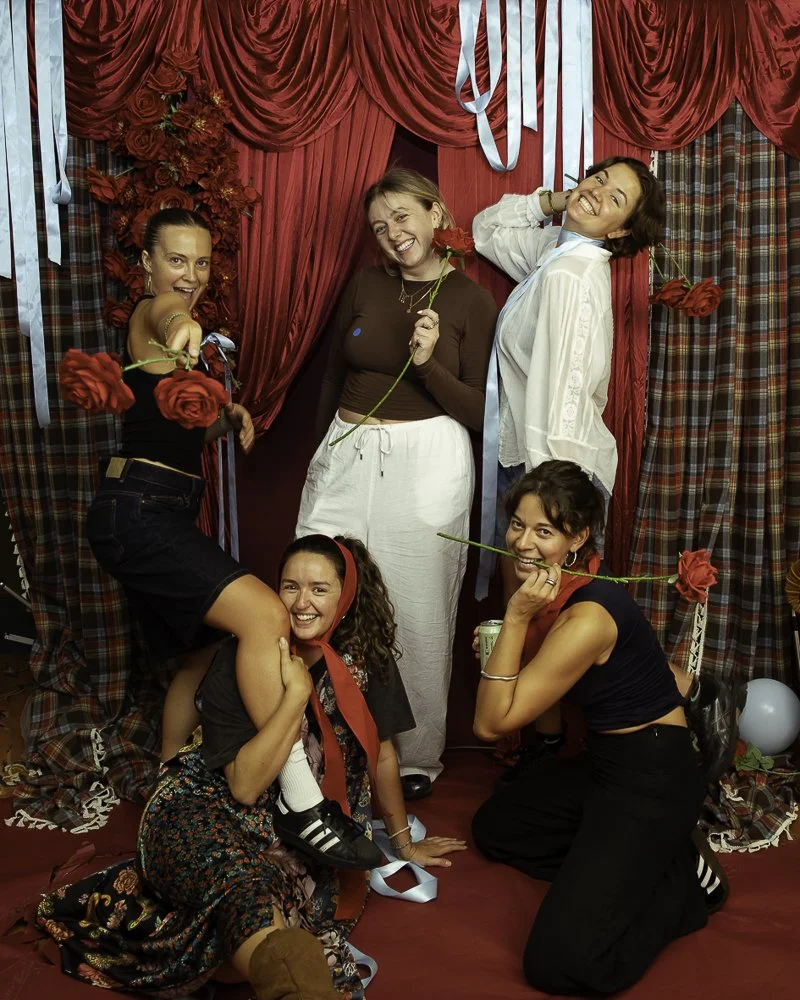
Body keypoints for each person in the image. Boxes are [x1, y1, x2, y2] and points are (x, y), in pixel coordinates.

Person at [37, 533, 466, 999]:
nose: (302, 603)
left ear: (345, 597)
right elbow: (244, 785)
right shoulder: (247, 659)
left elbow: (382, 754)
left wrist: (402, 843)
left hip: (289, 828)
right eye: (289, 587)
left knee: (272, 910)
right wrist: (295, 698)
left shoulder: (365, 662)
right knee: (244, 886)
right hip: (203, 806)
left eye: (319, 589)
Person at [86, 208, 371, 868]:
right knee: (265, 615)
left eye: (201, 263)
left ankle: (168, 792)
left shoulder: (168, 353)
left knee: (197, 655)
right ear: (149, 267)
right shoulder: (154, 314)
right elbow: (170, 320)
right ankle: (300, 803)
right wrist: (188, 332)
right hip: (139, 512)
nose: (188, 276)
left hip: (153, 509)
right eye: (176, 261)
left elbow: (169, 432)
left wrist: (225, 419)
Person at [470, 461, 728, 996]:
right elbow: (539, 701)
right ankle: (638, 862)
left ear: (578, 537)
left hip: (653, 778)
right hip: (604, 766)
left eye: (544, 531)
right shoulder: (553, 592)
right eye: (517, 525)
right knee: (496, 827)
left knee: (557, 963)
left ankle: (678, 890)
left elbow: (490, 721)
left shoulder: (585, 616)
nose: (522, 543)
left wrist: (513, 622)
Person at [296, 169, 498, 800]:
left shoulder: (470, 300)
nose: (393, 235)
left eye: (404, 218)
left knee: (418, 610)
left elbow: (477, 412)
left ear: (435, 214)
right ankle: (313, 741)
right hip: (348, 448)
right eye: (380, 227)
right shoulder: (363, 283)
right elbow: (333, 373)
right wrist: (322, 451)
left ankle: (413, 759)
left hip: (429, 460)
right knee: (315, 591)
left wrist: (427, 364)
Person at [472, 156, 666, 767]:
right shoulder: (556, 258)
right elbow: (487, 230)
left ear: (619, 232)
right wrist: (556, 204)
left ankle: (548, 754)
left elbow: (562, 395)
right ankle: (545, 749)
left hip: (548, 474)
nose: (597, 194)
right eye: (599, 180)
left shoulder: (572, 277)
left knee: (540, 623)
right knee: (531, 625)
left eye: (614, 200)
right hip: (536, 468)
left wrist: (542, 513)